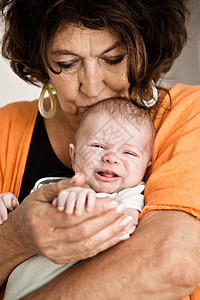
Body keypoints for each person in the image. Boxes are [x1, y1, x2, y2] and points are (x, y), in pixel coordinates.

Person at [0, 1, 200, 299]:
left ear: (146, 51)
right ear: (41, 63)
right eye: (67, 63)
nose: (92, 88)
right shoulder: (6, 128)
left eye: (114, 59)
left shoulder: (190, 114)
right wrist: (16, 237)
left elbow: (172, 265)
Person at [3, 98, 155, 299]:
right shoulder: (48, 186)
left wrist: (87, 205)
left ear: (147, 166)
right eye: (98, 146)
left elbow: (125, 224)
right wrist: (6, 205)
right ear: (73, 156)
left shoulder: (130, 194)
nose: (111, 157)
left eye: (129, 152)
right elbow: (23, 225)